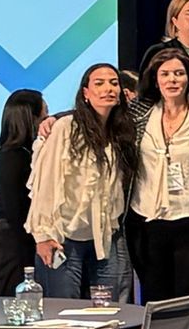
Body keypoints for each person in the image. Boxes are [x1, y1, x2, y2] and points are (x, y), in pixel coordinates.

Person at [27, 64, 136, 300]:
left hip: (105, 235)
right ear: (86, 92)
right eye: (99, 83)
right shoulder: (66, 128)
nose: (108, 88)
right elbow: (46, 181)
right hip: (64, 236)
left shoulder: (121, 131)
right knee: (63, 309)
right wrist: (43, 234)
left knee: (110, 309)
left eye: (114, 83)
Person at [127, 45, 189, 302]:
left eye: (179, 74)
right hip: (147, 221)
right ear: (155, 80)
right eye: (165, 74)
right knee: (155, 297)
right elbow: (100, 112)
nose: (172, 80)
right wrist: (54, 119)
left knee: (188, 298)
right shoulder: (138, 113)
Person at [0, 89, 44, 293]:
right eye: (45, 116)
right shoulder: (14, 158)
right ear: (31, 119)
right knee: (16, 301)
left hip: (18, 239)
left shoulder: (14, 155)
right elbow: (15, 209)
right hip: (16, 242)